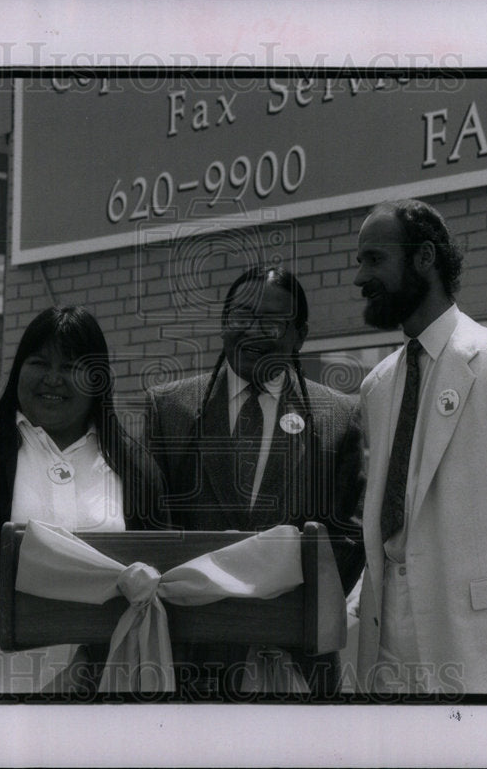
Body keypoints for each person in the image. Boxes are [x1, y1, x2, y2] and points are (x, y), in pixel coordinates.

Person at [352, 199, 487, 694]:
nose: (360, 276)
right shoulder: (377, 386)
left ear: (425, 258)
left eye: (375, 259)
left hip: (476, 646)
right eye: (360, 261)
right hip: (384, 639)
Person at [0, 306, 166, 694]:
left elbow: (160, 566)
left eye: (70, 367)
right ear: (18, 370)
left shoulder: (135, 467)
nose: (52, 379)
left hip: (100, 683)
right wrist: (61, 585)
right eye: (39, 362)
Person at [145, 265, 365, 697]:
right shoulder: (169, 408)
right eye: (241, 317)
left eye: (270, 322)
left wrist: (275, 601)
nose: (252, 331)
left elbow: (348, 538)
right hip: (190, 656)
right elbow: (150, 525)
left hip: (296, 657)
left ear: (299, 335)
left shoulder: (338, 417)